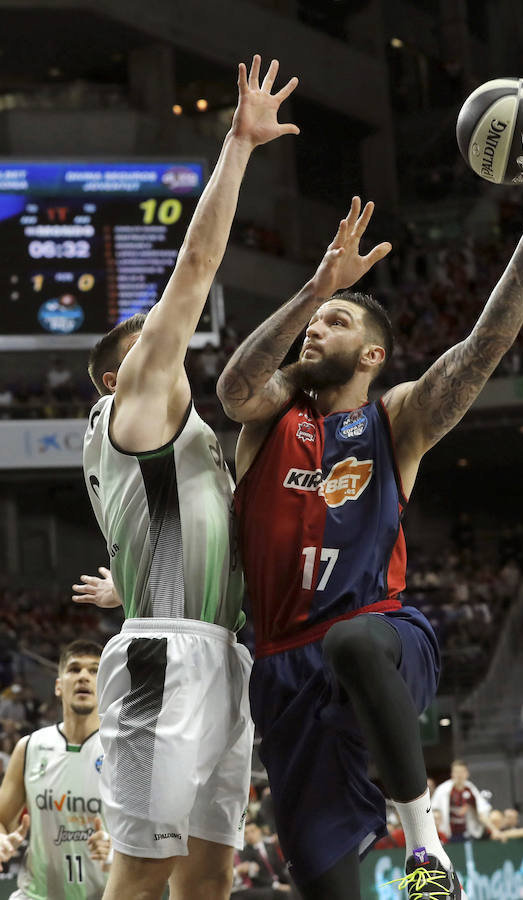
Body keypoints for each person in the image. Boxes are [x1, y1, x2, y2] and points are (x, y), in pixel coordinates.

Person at [216, 119, 523, 900]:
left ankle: (426, 848)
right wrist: (315, 290)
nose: (317, 330)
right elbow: (235, 388)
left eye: (337, 322)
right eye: (315, 323)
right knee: (324, 885)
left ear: (374, 356)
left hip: (382, 637)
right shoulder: (270, 422)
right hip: (282, 668)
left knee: (351, 639)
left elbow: (483, 347)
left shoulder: (396, 419)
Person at [80, 54, 299, 900]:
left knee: (209, 876)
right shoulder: (135, 402)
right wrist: (238, 147)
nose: (164, 338)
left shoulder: (176, 435)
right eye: (147, 338)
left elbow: (172, 529)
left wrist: (128, 585)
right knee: (142, 876)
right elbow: (198, 266)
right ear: (117, 378)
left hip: (219, 653)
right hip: (164, 657)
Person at [0, 640, 112, 900]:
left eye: (94, 671)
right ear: (58, 686)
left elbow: (154, 835)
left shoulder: (122, 751)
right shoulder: (29, 747)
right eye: (74, 669)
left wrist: (116, 850)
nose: (83, 676)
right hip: (35, 895)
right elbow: (2, 819)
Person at [431, 760, 499, 842]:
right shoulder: (442, 790)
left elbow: (482, 812)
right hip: (447, 836)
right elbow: (432, 812)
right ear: (452, 774)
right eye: (456, 772)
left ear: (467, 773)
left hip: (468, 834)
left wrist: (494, 830)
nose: (459, 775)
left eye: (462, 772)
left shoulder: (471, 789)